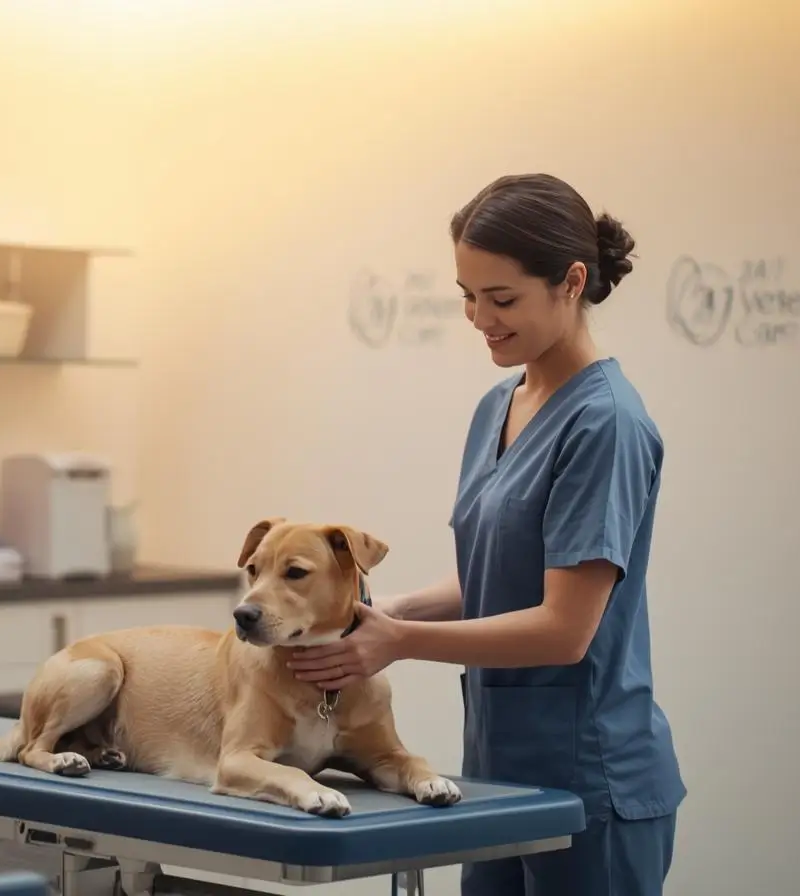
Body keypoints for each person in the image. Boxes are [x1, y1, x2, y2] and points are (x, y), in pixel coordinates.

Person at [288, 173, 686, 895]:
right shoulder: (500, 404)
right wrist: (394, 612)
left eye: (501, 299)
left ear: (571, 282)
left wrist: (400, 643)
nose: (479, 318)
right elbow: (504, 575)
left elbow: (565, 628)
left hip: (590, 784)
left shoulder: (607, 424)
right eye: (467, 296)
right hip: (498, 776)